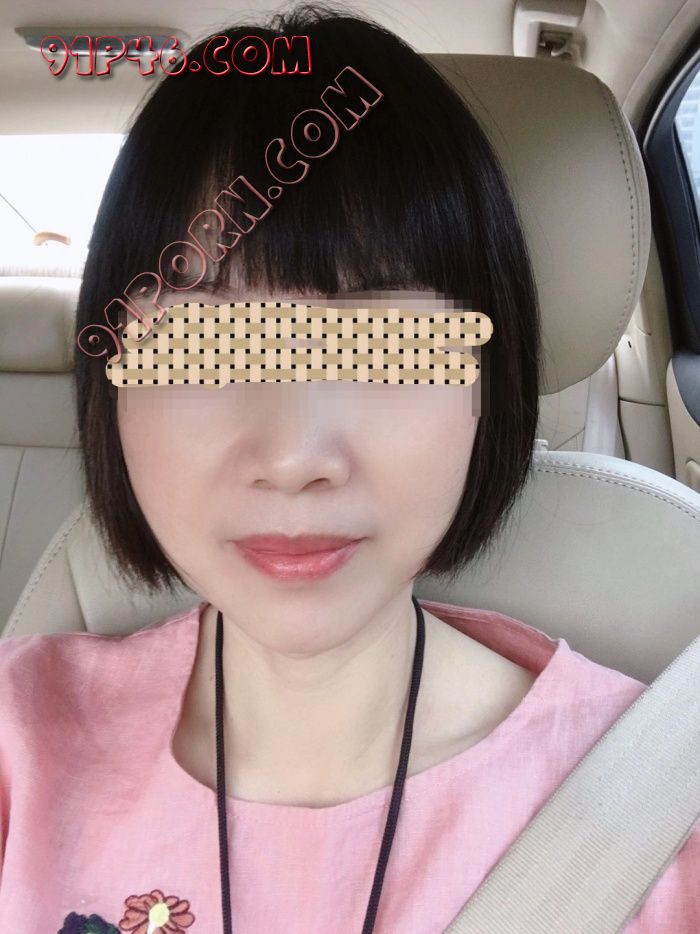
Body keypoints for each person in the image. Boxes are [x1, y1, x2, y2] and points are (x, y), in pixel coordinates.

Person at [0, 3, 697, 932]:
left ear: (487, 385)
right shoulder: (18, 739)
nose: (294, 457)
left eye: (388, 345)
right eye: (199, 345)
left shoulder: (664, 817)